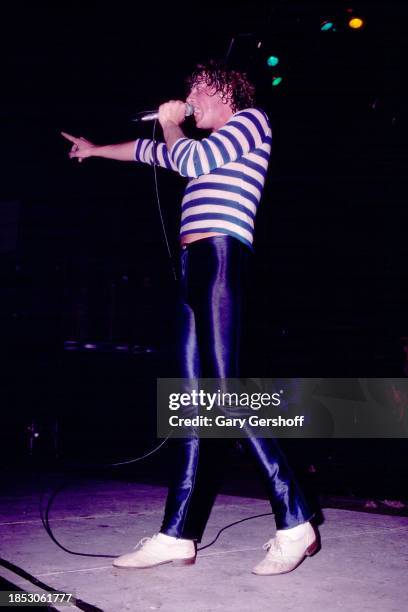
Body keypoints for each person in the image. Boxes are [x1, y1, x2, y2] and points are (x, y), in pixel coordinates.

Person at [62, 61, 319, 575]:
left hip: (222, 258)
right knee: (189, 401)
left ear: (225, 91)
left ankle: (295, 521)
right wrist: (95, 149)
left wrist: (170, 122)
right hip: (189, 265)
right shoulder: (189, 142)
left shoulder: (251, 121)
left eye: (197, 90)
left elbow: (192, 160)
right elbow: (147, 151)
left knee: (225, 392)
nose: (189, 99)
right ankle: (176, 534)